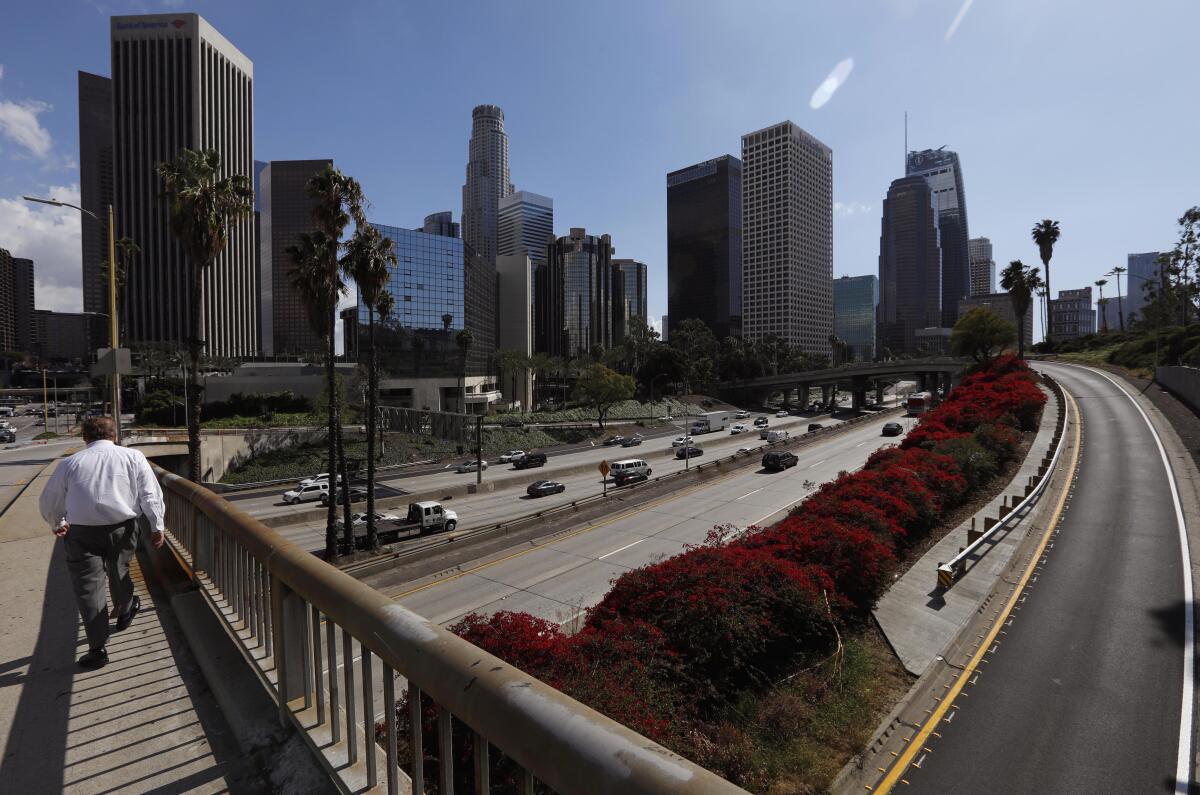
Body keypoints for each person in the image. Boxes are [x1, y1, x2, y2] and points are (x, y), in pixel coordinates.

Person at [39, 416, 166, 669]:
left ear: (85, 438)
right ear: (114, 435)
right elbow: (150, 493)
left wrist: (57, 522)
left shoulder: (70, 463)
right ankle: (126, 607)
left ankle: (97, 648)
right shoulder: (133, 457)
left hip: (81, 533)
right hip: (123, 527)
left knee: (88, 587)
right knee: (120, 571)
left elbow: (50, 498)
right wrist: (157, 525)